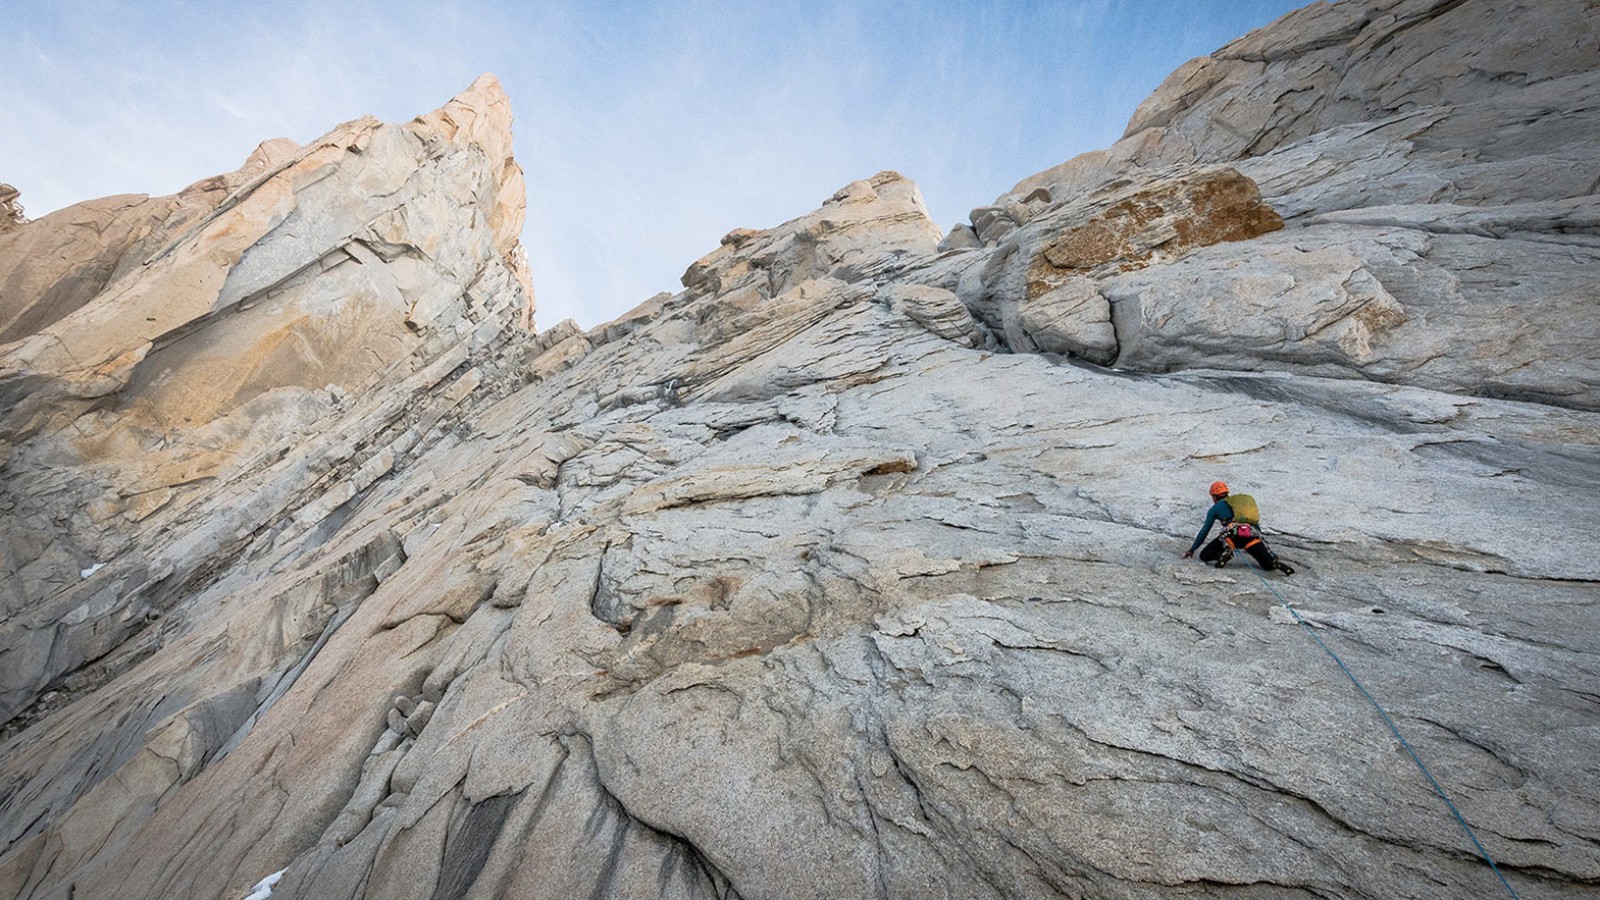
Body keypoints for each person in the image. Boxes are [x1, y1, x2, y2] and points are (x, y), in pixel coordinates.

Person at [1182, 481, 1294, 574]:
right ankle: (1273, 562)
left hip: (1231, 538)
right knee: (1267, 565)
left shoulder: (1215, 509)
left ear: (1214, 496)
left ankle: (1224, 554)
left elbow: (1204, 531)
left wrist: (1192, 549)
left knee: (1205, 554)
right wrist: (1263, 545)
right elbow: (1254, 524)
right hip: (1250, 537)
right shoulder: (1240, 506)